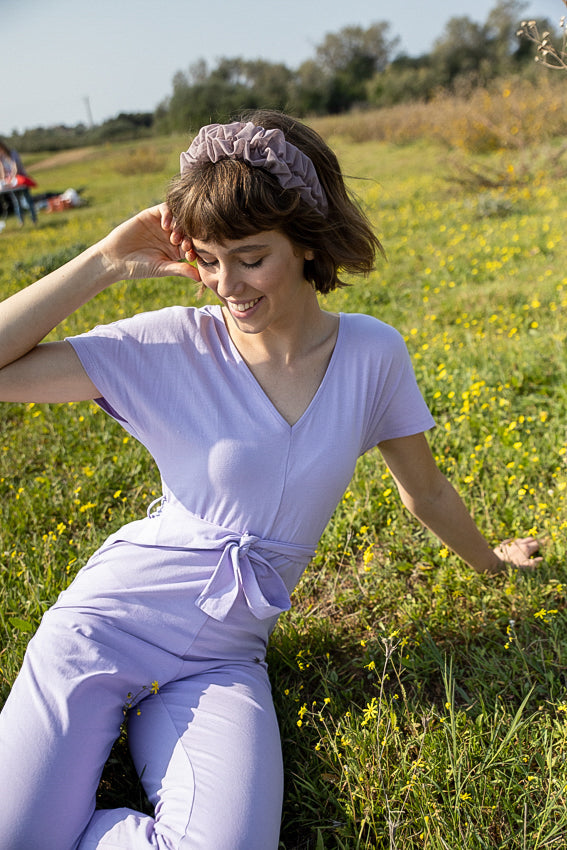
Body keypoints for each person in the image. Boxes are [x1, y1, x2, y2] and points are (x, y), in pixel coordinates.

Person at [0, 111, 541, 850]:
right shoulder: (168, 344)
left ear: (307, 241)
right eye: (210, 260)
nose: (228, 284)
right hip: (106, 626)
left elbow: (428, 492)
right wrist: (104, 261)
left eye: (250, 258)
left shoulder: (371, 355)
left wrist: (491, 562)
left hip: (224, 657)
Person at [0, 139, 37, 225]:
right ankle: (21, 221)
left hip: (20, 179)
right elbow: (1, 170)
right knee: (16, 202)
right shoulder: (1, 158)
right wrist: (4, 179)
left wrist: (12, 176)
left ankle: (34, 219)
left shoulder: (13, 153)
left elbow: (15, 167)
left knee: (28, 200)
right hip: (10, 182)